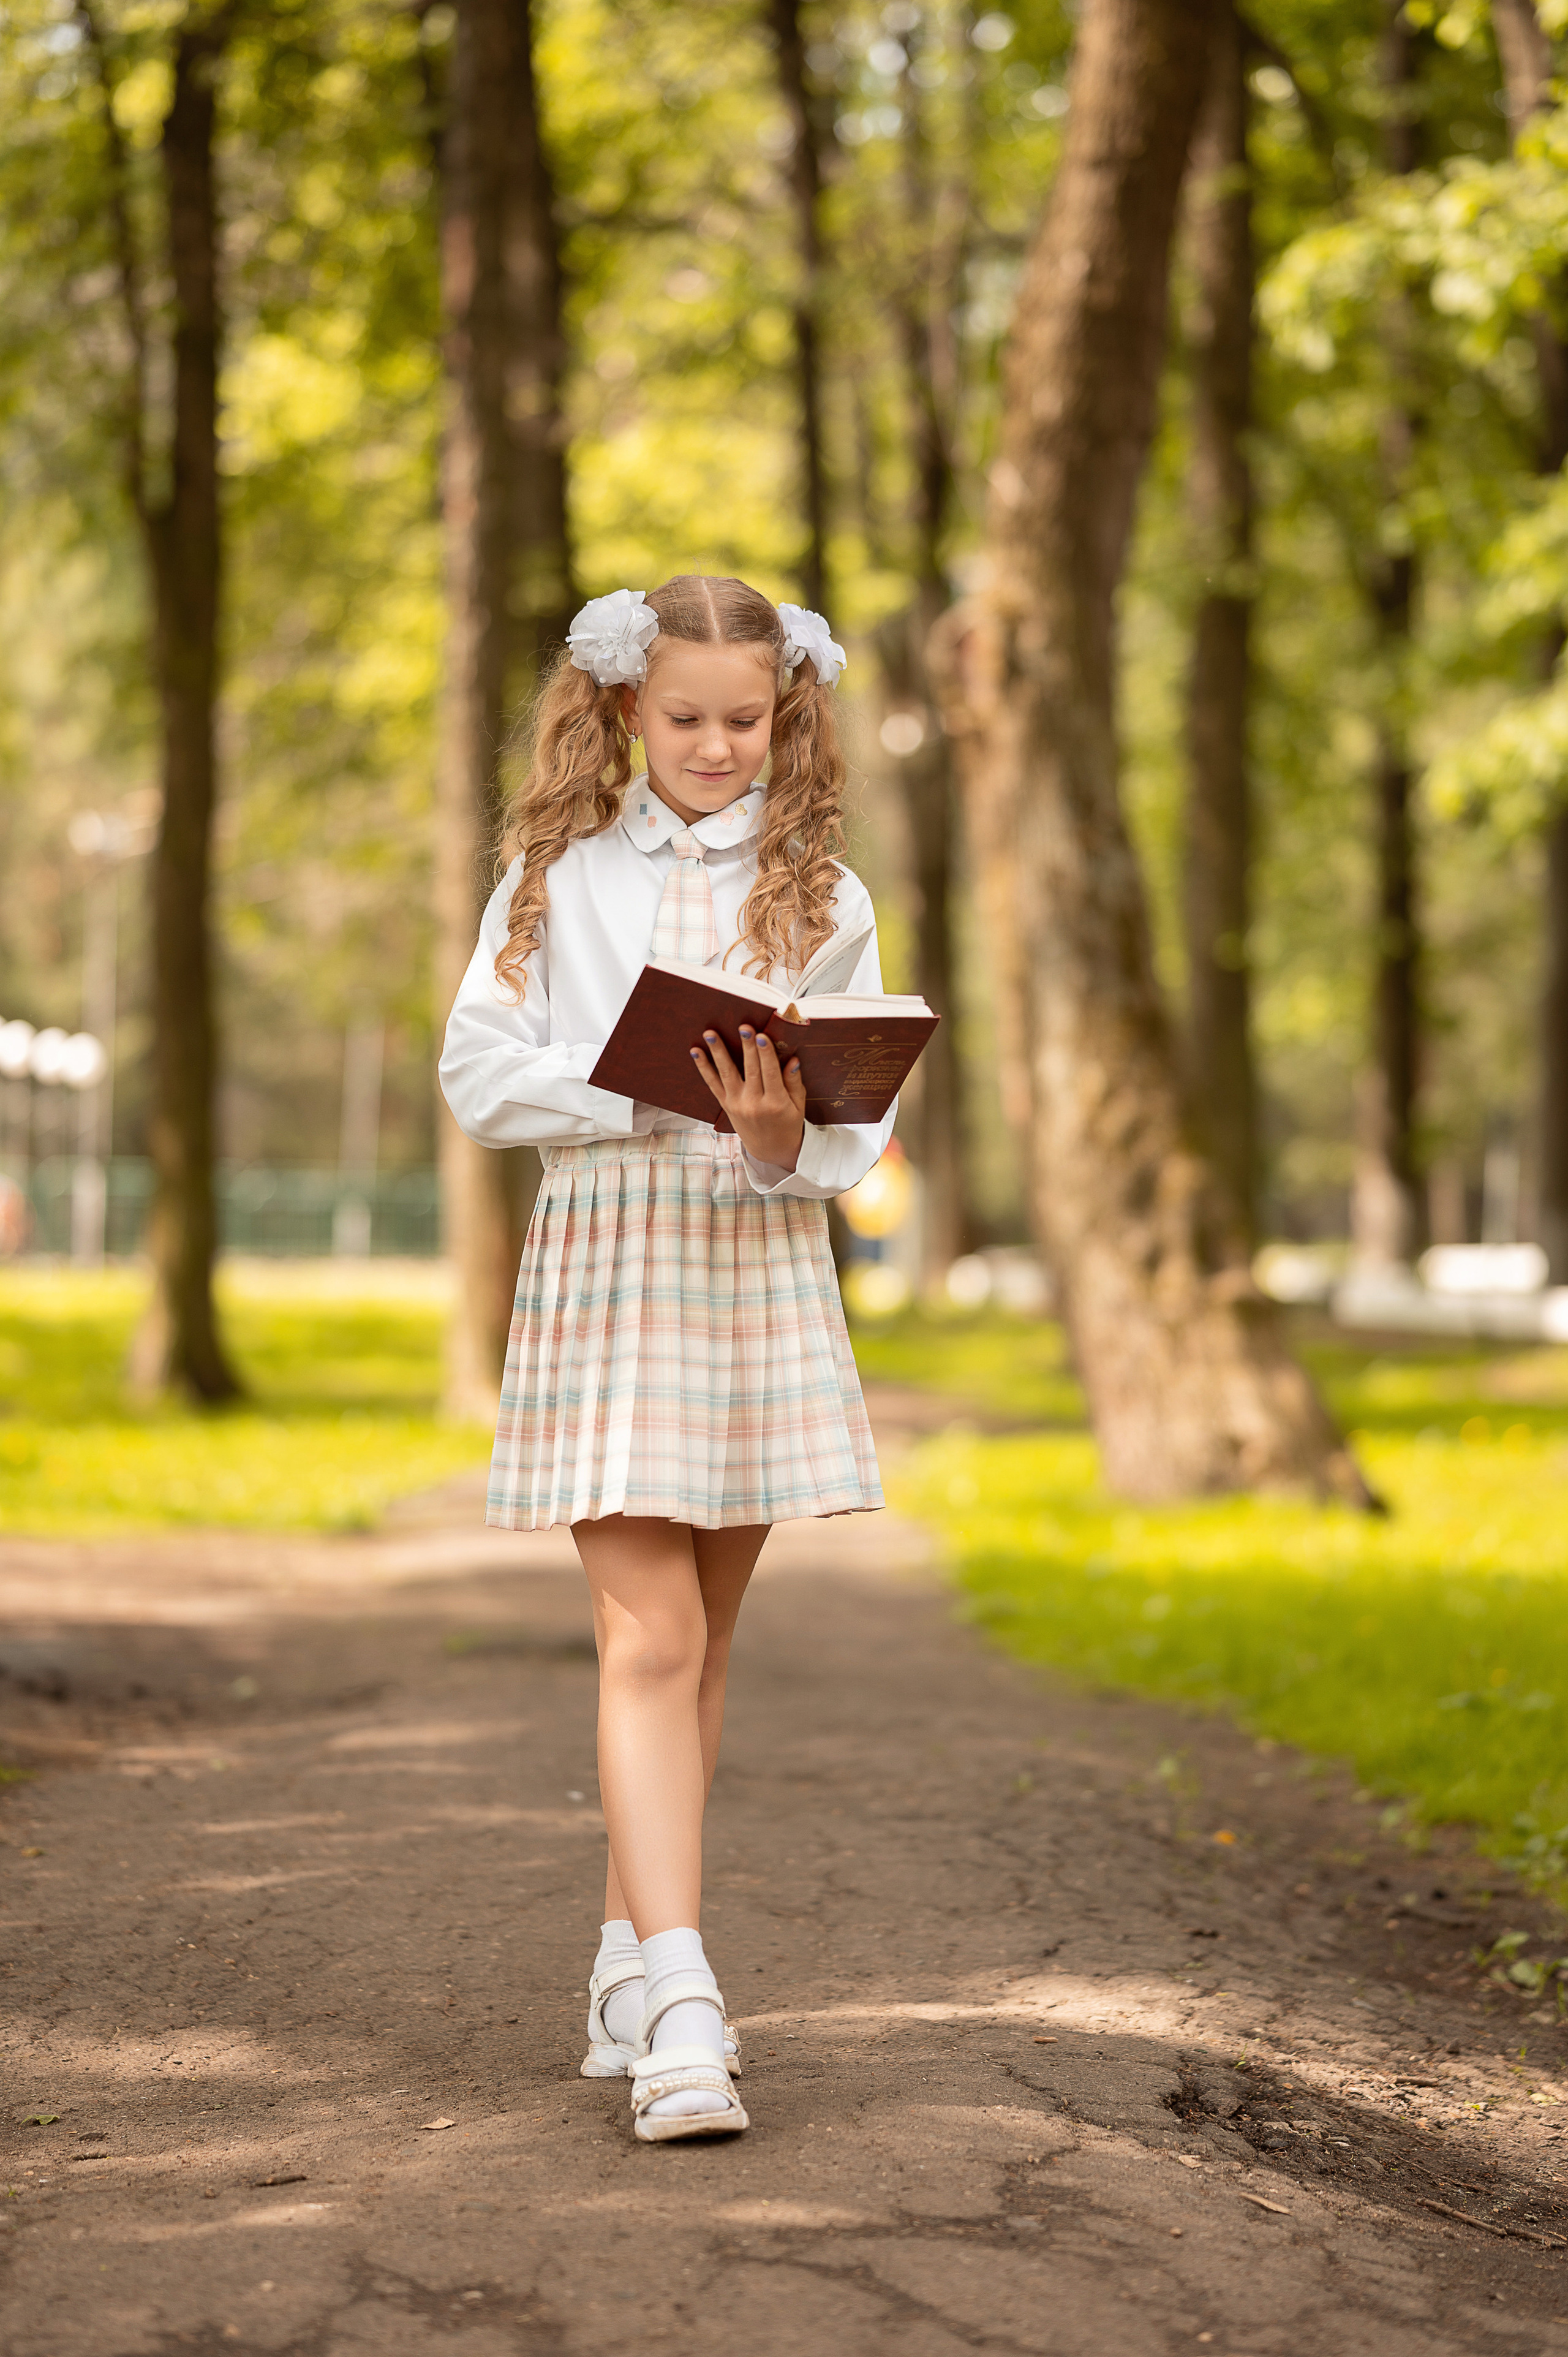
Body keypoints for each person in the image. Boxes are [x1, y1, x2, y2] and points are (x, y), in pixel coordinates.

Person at [439, 575, 894, 2144]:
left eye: (744, 720)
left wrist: (776, 1136)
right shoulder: (553, 873)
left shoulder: (823, 893)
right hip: (612, 1254)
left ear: (786, 714)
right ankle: (684, 2009)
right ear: (627, 706)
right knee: (646, 1637)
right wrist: (635, 1088)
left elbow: (851, 1120)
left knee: (696, 1645)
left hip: (751, 1265)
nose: (714, 745)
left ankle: (625, 1963)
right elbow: (479, 1072)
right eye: (685, 716)